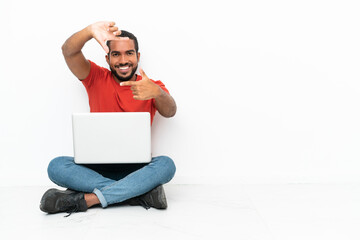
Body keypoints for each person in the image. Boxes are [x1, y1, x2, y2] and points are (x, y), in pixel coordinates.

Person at [40, 21, 177, 216]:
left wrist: (158, 93)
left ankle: (89, 200)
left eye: (129, 53)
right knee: (56, 166)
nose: (123, 60)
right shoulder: (95, 77)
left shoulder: (151, 86)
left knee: (166, 165)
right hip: (95, 170)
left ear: (138, 56)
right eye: (116, 54)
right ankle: (137, 194)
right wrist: (89, 31)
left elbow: (170, 111)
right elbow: (68, 51)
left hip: (138, 170)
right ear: (107, 58)